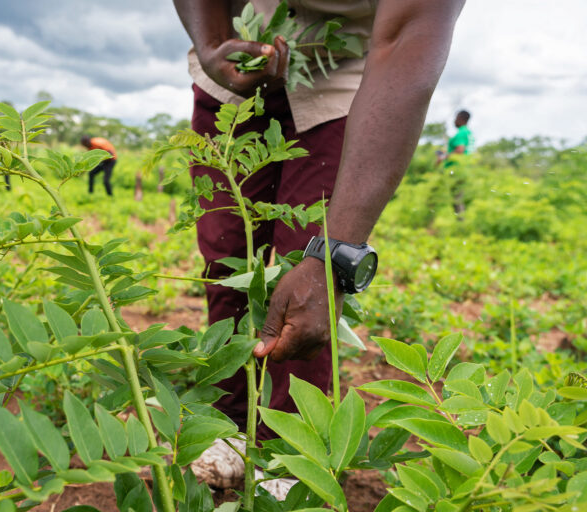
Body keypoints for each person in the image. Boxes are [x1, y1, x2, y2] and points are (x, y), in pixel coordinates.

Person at [174, 0, 465, 489]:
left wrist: (335, 253)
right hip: (237, 56)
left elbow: (404, 39)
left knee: (305, 273)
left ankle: (292, 455)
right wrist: (209, 42)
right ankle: (224, 427)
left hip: (348, 72)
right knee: (227, 262)